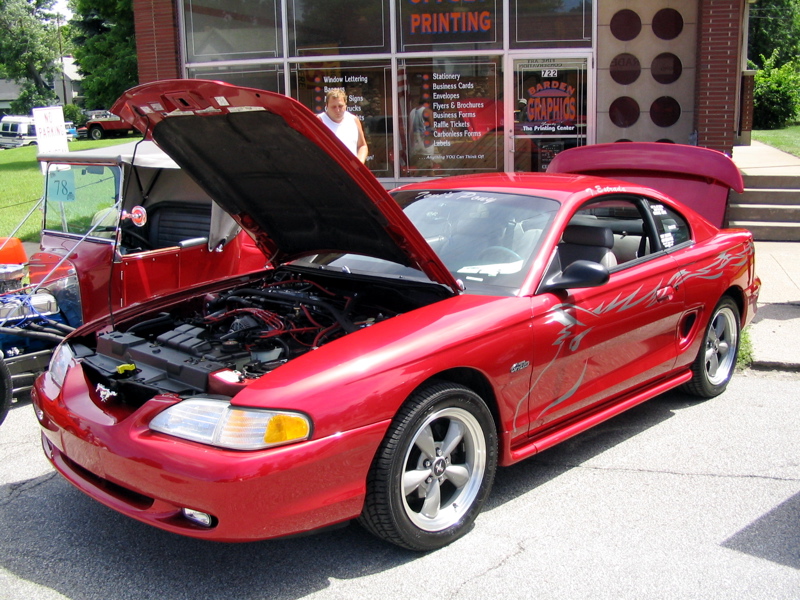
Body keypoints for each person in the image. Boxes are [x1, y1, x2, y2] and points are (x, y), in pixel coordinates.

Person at [317, 89, 369, 164]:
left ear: (345, 105)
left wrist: (359, 162)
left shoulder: (354, 120)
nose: (337, 110)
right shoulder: (320, 121)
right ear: (327, 106)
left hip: (351, 171)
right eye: (333, 107)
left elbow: (362, 146)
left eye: (340, 106)